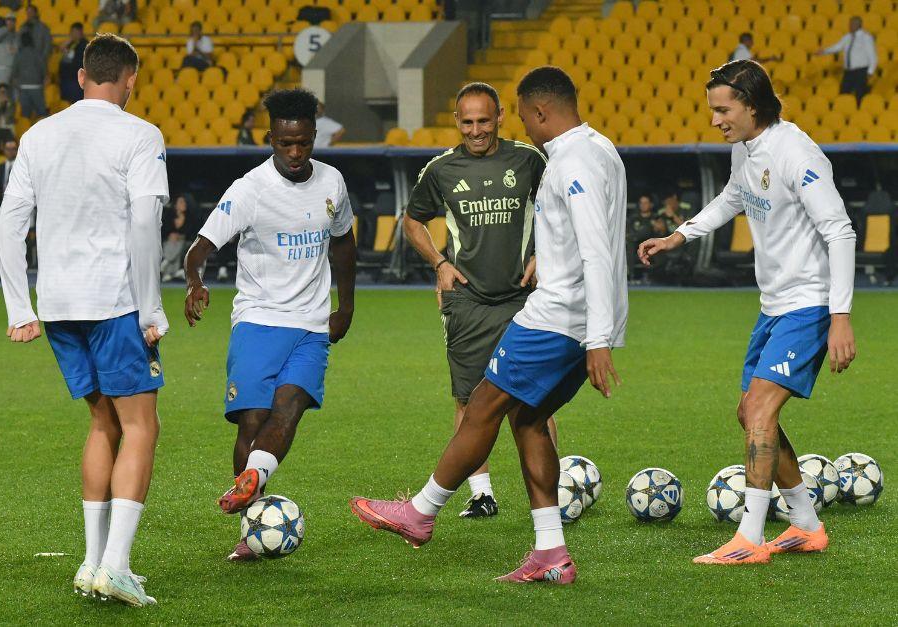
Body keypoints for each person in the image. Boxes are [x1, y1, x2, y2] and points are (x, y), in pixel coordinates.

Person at [349, 66, 628, 583]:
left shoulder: (566, 162)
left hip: (555, 316)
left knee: (482, 406)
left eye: (520, 115)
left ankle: (420, 511)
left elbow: (594, 250)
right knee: (527, 418)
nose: (516, 124)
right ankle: (551, 553)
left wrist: (598, 339)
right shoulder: (601, 149)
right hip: (569, 314)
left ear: (538, 112)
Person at [638, 59, 856, 565]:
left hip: (809, 302)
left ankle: (750, 539)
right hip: (773, 304)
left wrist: (839, 315)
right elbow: (734, 196)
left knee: (759, 410)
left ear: (752, 105)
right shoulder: (745, 150)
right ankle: (805, 525)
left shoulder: (795, 152)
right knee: (750, 413)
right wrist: (680, 234)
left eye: (722, 109)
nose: (715, 119)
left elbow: (840, 230)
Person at [0, 32, 169, 606]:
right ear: (131, 79)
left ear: (80, 77)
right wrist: (151, 305)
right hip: (115, 301)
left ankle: (92, 563)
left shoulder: (38, 135)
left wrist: (21, 307)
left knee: (103, 424)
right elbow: (145, 223)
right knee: (142, 426)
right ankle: (116, 565)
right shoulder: (140, 134)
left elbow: (9, 221)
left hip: (59, 303)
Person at [182, 88, 357, 562]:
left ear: (313, 136)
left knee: (289, 408)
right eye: (286, 144)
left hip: (311, 324)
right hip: (258, 321)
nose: (296, 153)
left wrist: (346, 306)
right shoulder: (248, 190)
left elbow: (343, 244)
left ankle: (252, 483)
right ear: (271, 138)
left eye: (303, 143)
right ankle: (251, 522)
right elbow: (198, 250)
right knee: (253, 423)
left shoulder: (333, 183)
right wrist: (195, 283)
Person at [402, 81, 554, 518]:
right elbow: (413, 222)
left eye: (483, 121)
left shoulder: (529, 160)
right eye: (467, 122)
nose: (475, 130)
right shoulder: (440, 170)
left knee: (533, 399)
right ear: (456, 121)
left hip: (522, 298)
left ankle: (549, 497)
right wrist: (438, 263)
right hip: (466, 300)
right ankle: (481, 493)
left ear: (500, 116)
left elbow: (558, 210)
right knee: (470, 399)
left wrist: (543, 253)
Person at [813, 16, 877, 105]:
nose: (849, 26)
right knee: (843, 94)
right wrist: (824, 51)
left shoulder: (866, 37)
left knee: (859, 95)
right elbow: (838, 47)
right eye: (849, 24)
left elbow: (872, 56)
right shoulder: (847, 37)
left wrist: (870, 71)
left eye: (852, 24)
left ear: (858, 25)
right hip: (848, 72)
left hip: (861, 71)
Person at [161, 192, 197, 280]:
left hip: (184, 241)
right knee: (171, 243)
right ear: (175, 205)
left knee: (180, 243)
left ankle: (166, 263)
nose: (184, 204)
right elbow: (164, 230)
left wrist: (179, 236)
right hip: (169, 242)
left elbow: (191, 232)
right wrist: (171, 235)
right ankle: (171, 272)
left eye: (184, 202)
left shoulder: (189, 217)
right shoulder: (169, 216)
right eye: (181, 202)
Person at [11, 31, 47, 120]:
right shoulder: (38, 54)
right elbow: (44, 71)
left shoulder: (18, 55)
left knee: (25, 117)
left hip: (23, 88)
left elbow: (14, 74)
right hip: (37, 87)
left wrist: (18, 85)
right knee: (42, 115)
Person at [59, 23, 88, 104]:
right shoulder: (73, 43)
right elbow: (61, 48)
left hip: (75, 79)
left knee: (77, 102)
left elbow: (79, 61)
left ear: (80, 32)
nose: (72, 34)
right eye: (71, 32)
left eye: (74, 32)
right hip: (68, 78)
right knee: (69, 102)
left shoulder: (84, 44)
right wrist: (70, 40)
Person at [0, 13, 19, 89]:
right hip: (2, 67)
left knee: (14, 91)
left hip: (14, 67)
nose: (10, 22)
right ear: (5, 21)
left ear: (15, 22)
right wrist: (7, 29)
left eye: (13, 20)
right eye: (8, 20)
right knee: (2, 90)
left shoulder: (17, 35)